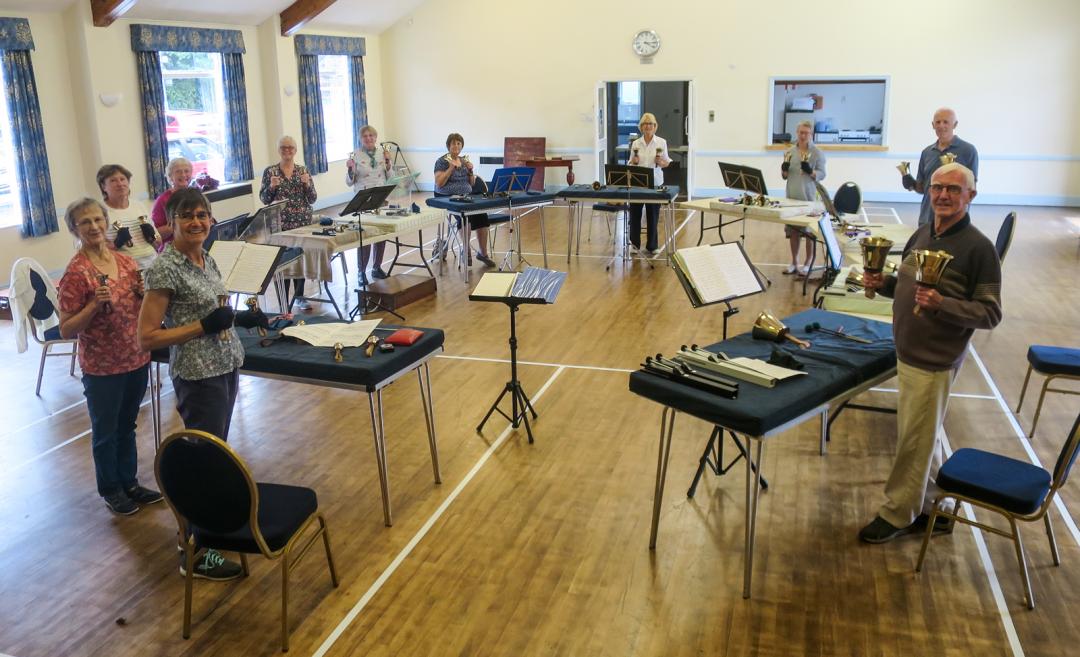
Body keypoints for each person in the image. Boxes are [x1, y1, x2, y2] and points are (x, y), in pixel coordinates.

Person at [859, 163, 1002, 543]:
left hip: (935, 357)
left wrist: (943, 304)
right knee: (926, 435)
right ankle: (935, 508)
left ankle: (898, 513)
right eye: (937, 187)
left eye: (953, 189)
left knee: (913, 440)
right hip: (908, 349)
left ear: (970, 195)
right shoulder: (923, 232)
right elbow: (907, 286)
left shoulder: (979, 248)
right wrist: (884, 282)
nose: (943, 195)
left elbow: (990, 313)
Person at [138, 188, 267, 579]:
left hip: (225, 364)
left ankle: (212, 533)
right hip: (198, 375)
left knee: (217, 456)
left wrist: (235, 318)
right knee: (203, 463)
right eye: (187, 216)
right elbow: (146, 337)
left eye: (202, 215)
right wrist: (201, 327)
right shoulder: (166, 268)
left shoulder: (206, 256)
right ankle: (192, 551)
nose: (196, 222)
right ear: (171, 223)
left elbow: (215, 309)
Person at [57, 197, 162, 516]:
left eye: (98, 220)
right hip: (103, 366)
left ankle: (129, 482)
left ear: (106, 222)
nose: (93, 227)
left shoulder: (126, 262)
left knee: (127, 425)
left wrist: (146, 297)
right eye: (85, 222)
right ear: (74, 228)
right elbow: (65, 329)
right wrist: (91, 306)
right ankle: (111, 489)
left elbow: (142, 309)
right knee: (105, 430)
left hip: (135, 356)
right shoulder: (76, 273)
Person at [259, 136, 317, 309]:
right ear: (279, 150)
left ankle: (300, 296)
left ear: (295, 150)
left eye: (290, 148)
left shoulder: (303, 170)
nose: (287, 151)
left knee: (299, 259)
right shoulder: (270, 172)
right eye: (283, 148)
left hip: (302, 223)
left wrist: (307, 185)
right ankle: (284, 301)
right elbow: (264, 199)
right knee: (283, 262)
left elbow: (312, 198)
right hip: (280, 225)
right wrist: (272, 187)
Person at [901, 108, 979, 227]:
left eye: (945, 122)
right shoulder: (927, 152)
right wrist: (910, 182)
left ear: (955, 124)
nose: (941, 125)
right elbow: (923, 189)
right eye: (938, 122)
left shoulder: (968, 150)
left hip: (954, 221)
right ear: (933, 125)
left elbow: (971, 189)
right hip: (927, 219)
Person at [433, 132, 496, 267]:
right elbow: (439, 183)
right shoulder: (442, 161)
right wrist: (450, 168)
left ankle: (482, 253)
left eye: (458, 143)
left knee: (481, 216)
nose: (456, 146)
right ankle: (466, 251)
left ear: (461, 146)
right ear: (448, 146)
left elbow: (472, 183)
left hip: (465, 196)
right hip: (446, 197)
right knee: (464, 217)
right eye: (453, 143)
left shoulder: (463, 161)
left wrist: (471, 171)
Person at [346, 125, 393, 280]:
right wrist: (350, 170)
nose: (368, 138)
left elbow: (390, 175)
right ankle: (361, 271)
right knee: (365, 236)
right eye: (365, 136)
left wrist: (388, 161)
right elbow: (349, 182)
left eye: (371, 135)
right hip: (364, 199)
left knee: (381, 233)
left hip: (380, 198)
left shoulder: (382, 152)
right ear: (361, 139)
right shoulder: (356, 155)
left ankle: (377, 267)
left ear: (375, 137)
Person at [780, 120, 826, 276]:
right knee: (794, 231)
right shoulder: (790, 152)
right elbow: (785, 177)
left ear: (811, 134)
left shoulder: (817, 153)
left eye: (806, 132)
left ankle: (808, 263)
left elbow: (822, 174)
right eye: (801, 132)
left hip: (809, 197)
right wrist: (784, 170)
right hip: (792, 197)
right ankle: (794, 261)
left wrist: (810, 172)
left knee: (809, 233)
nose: (803, 135)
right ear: (797, 133)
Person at [98, 164, 159, 270]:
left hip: (152, 265)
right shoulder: (99, 212)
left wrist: (152, 236)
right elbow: (97, 252)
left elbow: (158, 242)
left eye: (123, 179)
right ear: (103, 186)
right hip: (124, 270)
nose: (120, 184)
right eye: (113, 180)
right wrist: (117, 243)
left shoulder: (139, 206)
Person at [628, 112, 671, 255]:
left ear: (655, 126)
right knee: (635, 214)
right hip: (637, 183)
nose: (648, 126)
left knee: (653, 214)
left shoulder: (661, 142)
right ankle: (634, 245)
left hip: (655, 183)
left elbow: (666, 163)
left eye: (651, 124)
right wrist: (633, 162)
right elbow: (630, 163)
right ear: (641, 127)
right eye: (645, 124)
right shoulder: (636, 143)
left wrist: (661, 162)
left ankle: (652, 246)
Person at [150, 157, 194, 252]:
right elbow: (155, 234)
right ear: (170, 176)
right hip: (171, 251)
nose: (183, 175)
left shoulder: (196, 195)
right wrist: (175, 226)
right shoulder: (162, 200)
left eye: (187, 171)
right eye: (178, 172)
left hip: (194, 246)